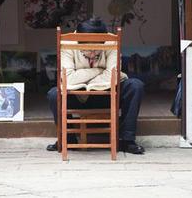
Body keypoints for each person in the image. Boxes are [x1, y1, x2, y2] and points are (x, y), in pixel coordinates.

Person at [46, 17, 145, 154]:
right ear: (79, 41)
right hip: (76, 96)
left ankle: (127, 140)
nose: (92, 53)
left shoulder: (111, 41)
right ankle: (68, 139)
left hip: (107, 94)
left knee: (135, 86)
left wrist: (84, 78)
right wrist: (98, 71)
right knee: (53, 94)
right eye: (87, 50)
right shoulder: (68, 42)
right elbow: (68, 79)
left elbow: (112, 75)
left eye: (97, 50)